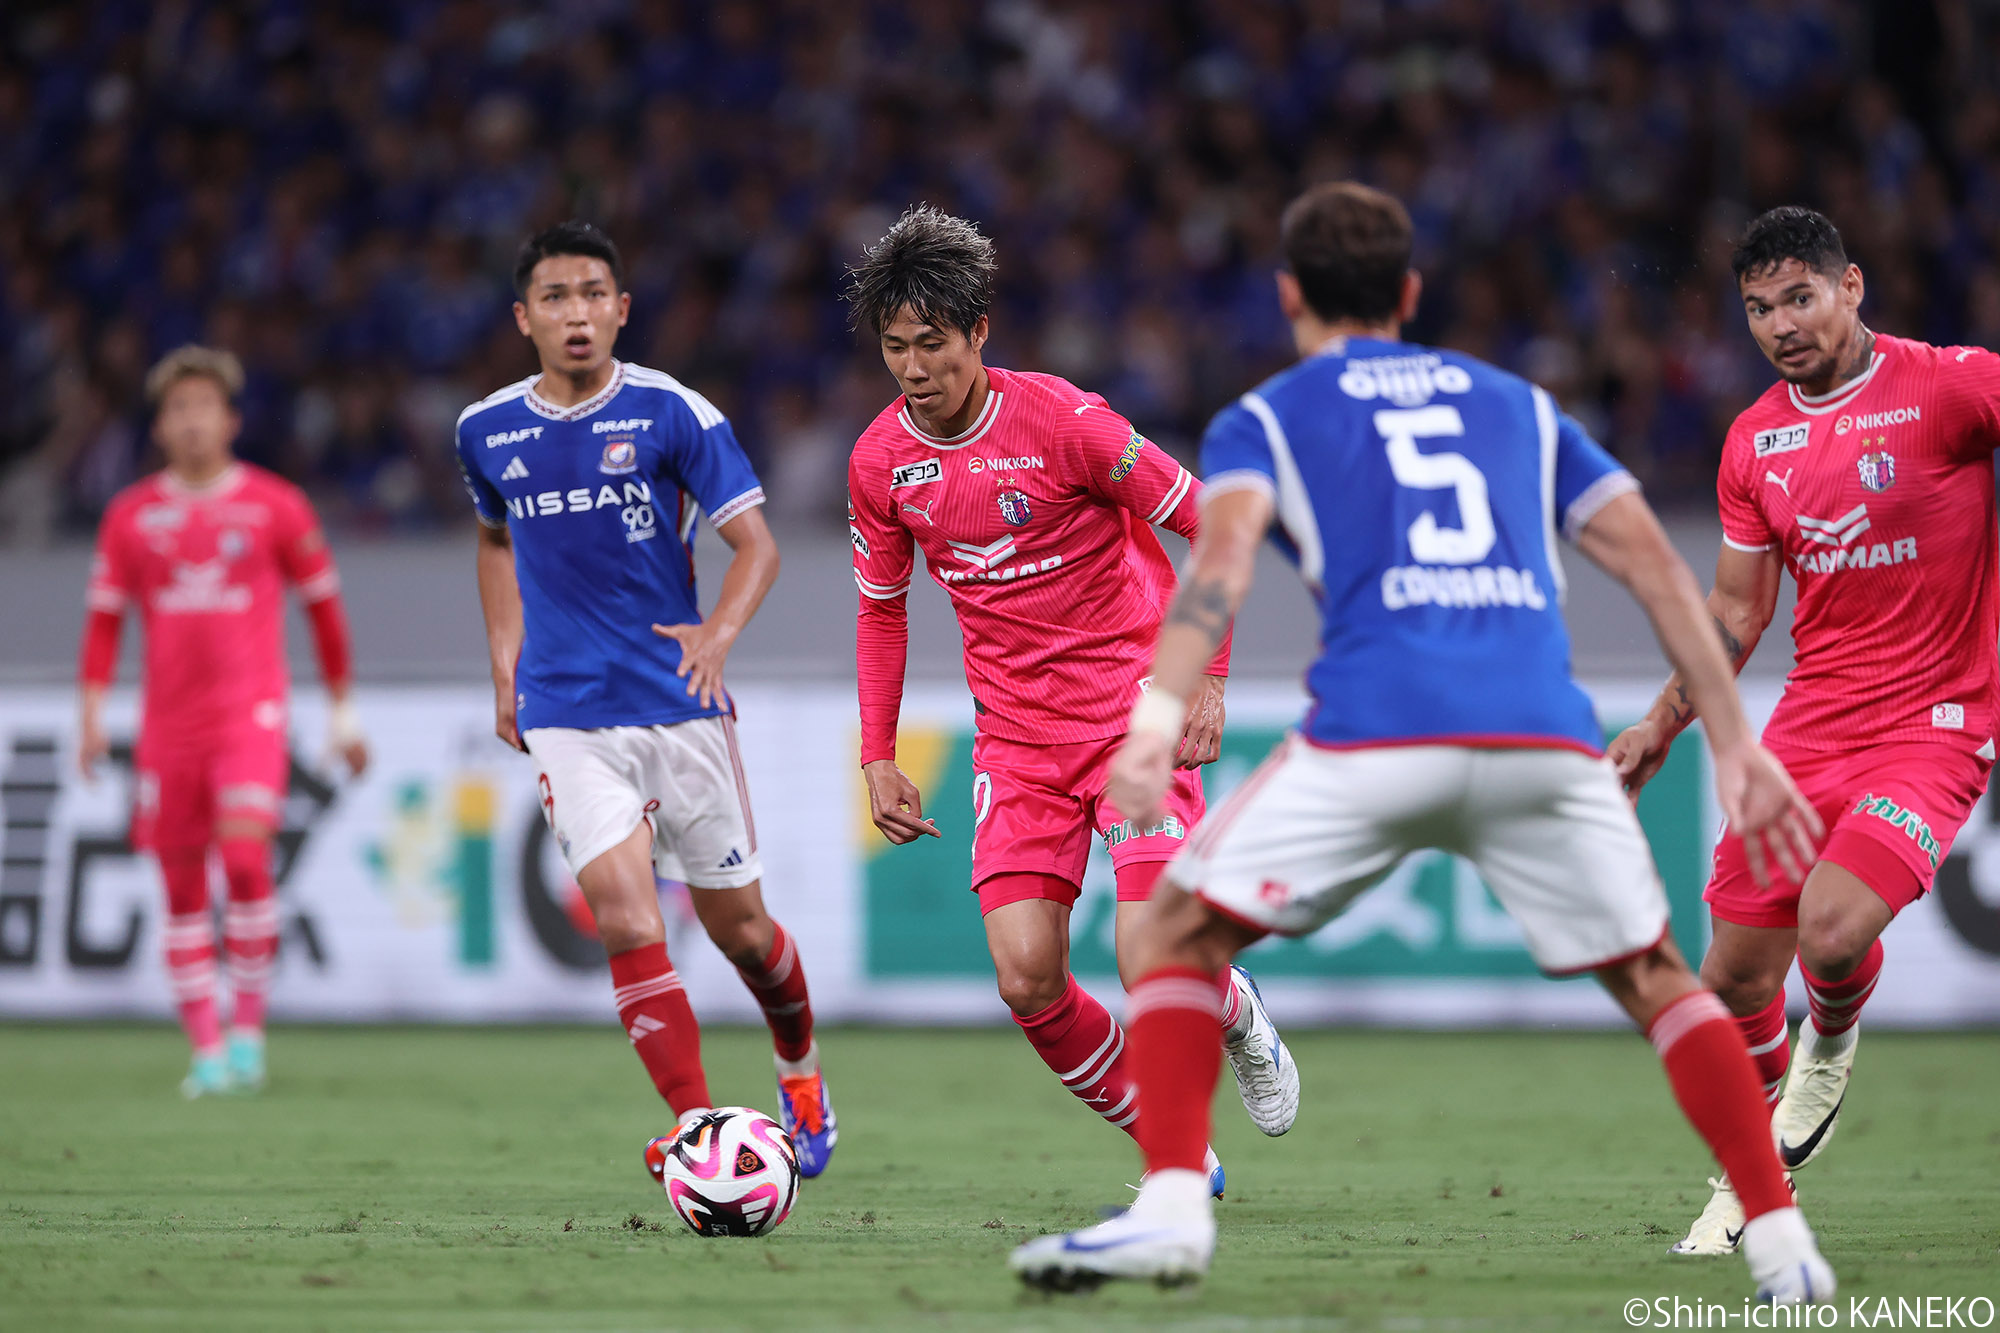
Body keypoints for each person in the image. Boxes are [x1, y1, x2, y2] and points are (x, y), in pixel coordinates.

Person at [1010, 182, 1837, 1305]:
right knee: (1655, 977)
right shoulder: (1517, 405)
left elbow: (1216, 571)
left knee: (1167, 933)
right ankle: (1783, 1242)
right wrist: (1731, 744)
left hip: (1375, 731)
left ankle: (1171, 1206)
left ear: (1288, 295)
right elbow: (1652, 564)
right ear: (1407, 291)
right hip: (1537, 733)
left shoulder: (1266, 417)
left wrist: (1154, 723)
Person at [842, 206, 1299, 1189]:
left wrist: (1209, 677)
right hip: (1016, 744)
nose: (914, 368)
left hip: (1134, 717)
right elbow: (881, 611)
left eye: (932, 343)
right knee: (1025, 976)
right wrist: (877, 753)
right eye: (894, 347)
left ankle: (1231, 1015)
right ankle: (1170, 1140)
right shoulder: (880, 463)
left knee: (1148, 954)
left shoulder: (1065, 422)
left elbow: (1210, 521)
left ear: (979, 331)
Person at [1608, 206, 2000, 1254]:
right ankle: (1759, 1162)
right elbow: (1737, 612)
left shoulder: (1949, 387)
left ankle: (1827, 1042)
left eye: (1798, 297)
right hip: (1811, 724)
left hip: (1933, 724)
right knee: (1729, 979)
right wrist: (1659, 723)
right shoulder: (1753, 439)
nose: (1780, 324)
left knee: (1829, 930)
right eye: (1757, 308)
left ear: (1849, 287)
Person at [454, 221, 835, 1176]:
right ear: (524, 317)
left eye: (593, 294)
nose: (576, 312)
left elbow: (757, 546)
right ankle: (700, 1130)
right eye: (555, 297)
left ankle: (800, 1067)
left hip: (678, 704)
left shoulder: (675, 413)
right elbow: (494, 539)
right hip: (566, 713)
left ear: (621, 309)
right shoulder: (485, 431)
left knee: (744, 934)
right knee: (626, 919)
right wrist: (504, 661)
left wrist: (718, 634)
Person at [78, 345, 367, 1098]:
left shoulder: (277, 506)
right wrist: (90, 714)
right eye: (178, 409)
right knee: (180, 888)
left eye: (205, 406)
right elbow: (104, 625)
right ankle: (206, 1050)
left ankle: (248, 1035)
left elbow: (325, 613)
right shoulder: (131, 516)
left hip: (249, 717)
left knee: (243, 862)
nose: (192, 421)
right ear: (159, 426)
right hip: (167, 729)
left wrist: (342, 712)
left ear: (231, 420)